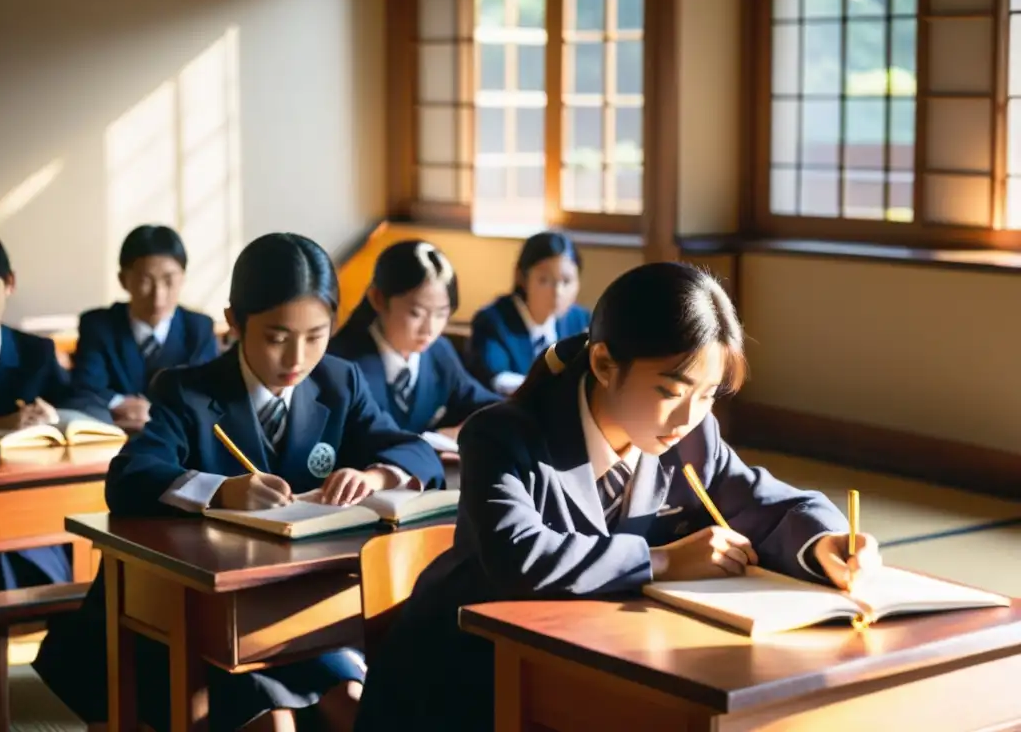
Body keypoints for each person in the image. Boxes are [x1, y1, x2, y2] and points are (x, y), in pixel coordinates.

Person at [354, 262, 881, 731]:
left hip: (598, 660)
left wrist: (827, 543)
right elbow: (519, 557)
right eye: (671, 392)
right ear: (605, 365)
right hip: (465, 674)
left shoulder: (694, 434)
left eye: (707, 396)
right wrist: (663, 561)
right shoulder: (503, 435)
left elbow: (772, 505)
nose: (688, 417)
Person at [36, 232, 446, 731]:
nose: (296, 357)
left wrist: (373, 473)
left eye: (316, 336)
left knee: (354, 700)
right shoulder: (189, 390)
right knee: (274, 718)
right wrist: (220, 489)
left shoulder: (340, 382)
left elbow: (416, 451)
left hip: (301, 602)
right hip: (200, 609)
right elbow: (129, 477)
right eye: (276, 337)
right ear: (233, 321)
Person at [0, 237, 107, 590]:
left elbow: (86, 404)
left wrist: (54, 416)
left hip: (31, 505)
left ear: (9, 283)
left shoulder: (35, 353)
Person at [328, 240, 500, 437]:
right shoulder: (341, 365)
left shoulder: (439, 351)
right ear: (378, 299)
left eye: (441, 314)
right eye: (416, 314)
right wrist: (431, 441)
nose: (429, 329)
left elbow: (483, 403)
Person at [71, 224, 219, 433]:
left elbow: (207, 394)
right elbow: (84, 389)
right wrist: (119, 403)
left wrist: (156, 412)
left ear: (183, 278)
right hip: (116, 439)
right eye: (145, 281)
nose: (158, 296)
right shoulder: (98, 325)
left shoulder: (199, 328)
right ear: (124, 280)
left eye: (169, 281)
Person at [468, 231, 590, 394]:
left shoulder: (581, 320)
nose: (558, 292)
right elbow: (497, 379)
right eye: (544, 280)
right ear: (522, 278)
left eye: (567, 281)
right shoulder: (493, 321)